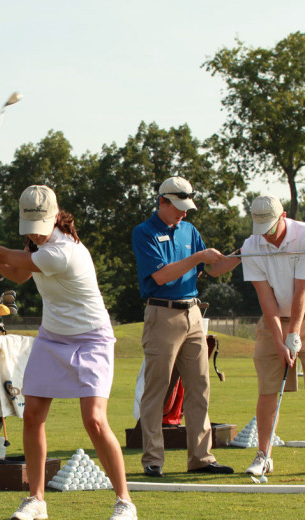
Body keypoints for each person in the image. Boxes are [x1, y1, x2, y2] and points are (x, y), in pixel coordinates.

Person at [0, 185, 137, 520]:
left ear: (55, 219)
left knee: (95, 420)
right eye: (31, 230)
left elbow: (10, 258)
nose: (35, 236)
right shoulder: (39, 247)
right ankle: (36, 500)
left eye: (40, 229)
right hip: (52, 339)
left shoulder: (63, 251)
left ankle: (124, 503)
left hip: (91, 340)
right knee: (33, 414)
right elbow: (18, 272)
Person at [131, 176, 233, 477]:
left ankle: (201, 458)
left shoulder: (189, 229)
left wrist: (239, 257)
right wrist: (199, 256)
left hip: (193, 313)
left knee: (200, 387)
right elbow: (161, 276)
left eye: (187, 207)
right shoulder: (144, 232)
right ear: (161, 201)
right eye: (178, 207)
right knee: (157, 389)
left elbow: (213, 269)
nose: (184, 214)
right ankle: (153, 459)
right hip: (162, 314)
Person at [210, 195, 305, 477]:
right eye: (261, 227)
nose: (267, 234)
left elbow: (301, 292)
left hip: (304, 312)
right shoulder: (252, 244)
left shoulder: (303, 235)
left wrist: (294, 334)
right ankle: (264, 455)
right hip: (273, 319)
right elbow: (266, 297)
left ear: (284, 216)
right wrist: (279, 341)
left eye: (271, 226)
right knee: (267, 390)